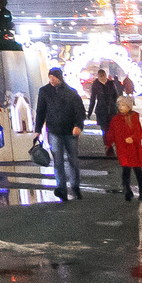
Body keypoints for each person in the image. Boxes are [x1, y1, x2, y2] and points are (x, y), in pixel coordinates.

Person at [33, 66, 85, 200]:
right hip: (54, 130)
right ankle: (61, 187)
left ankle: (75, 186)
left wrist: (78, 125)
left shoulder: (71, 92)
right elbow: (41, 111)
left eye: (54, 78)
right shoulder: (44, 91)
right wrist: (37, 129)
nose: (51, 80)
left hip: (70, 131)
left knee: (73, 159)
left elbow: (79, 111)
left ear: (59, 77)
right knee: (58, 161)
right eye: (50, 77)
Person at [104, 91, 142, 201]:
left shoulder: (134, 117)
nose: (120, 107)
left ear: (129, 107)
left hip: (134, 148)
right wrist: (108, 144)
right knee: (126, 170)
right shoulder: (115, 119)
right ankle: (127, 190)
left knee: (138, 170)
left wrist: (132, 138)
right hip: (122, 148)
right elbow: (111, 133)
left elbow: (139, 132)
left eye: (123, 105)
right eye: (119, 105)